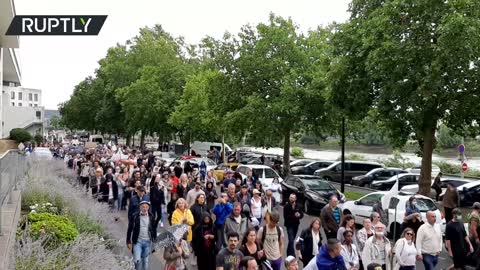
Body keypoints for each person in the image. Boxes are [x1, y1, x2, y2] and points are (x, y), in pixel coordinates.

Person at [126, 201, 157, 270]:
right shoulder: (135, 216)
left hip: (148, 242)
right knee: (137, 261)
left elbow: (154, 230)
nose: (144, 208)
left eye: (146, 207)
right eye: (143, 207)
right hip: (137, 242)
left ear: (148, 208)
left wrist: (155, 243)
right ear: (140, 207)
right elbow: (130, 229)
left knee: (145, 263)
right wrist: (128, 241)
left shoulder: (151, 216)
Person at [467, 202, 480, 269]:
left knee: (473, 250)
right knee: (476, 251)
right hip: (473, 236)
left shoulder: (474, 213)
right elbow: (473, 228)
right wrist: (477, 238)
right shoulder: (475, 216)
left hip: (472, 235)